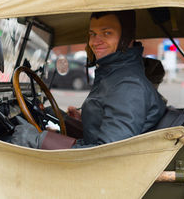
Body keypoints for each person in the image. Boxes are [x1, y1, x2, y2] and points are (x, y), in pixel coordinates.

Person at [11, 10, 166, 149]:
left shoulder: (127, 85)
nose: (95, 41)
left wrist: (37, 140)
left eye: (107, 33)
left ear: (127, 38)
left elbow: (108, 153)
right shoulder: (114, 75)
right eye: (92, 34)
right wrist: (83, 120)